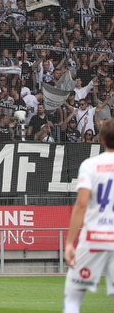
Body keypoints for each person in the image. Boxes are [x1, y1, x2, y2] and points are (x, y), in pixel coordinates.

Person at [64, 118, 114, 312]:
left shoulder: (90, 165)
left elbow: (82, 203)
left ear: (101, 139)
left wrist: (69, 243)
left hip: (93, 238)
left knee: (72, 300)